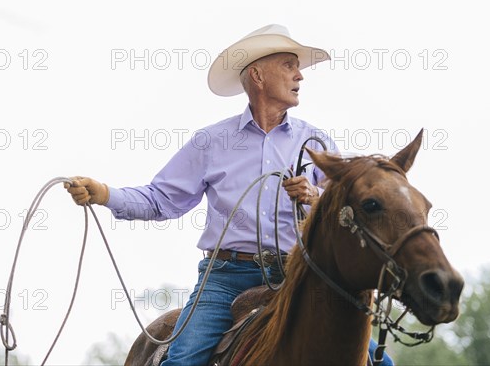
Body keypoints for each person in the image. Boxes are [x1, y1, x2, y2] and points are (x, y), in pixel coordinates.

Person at [65, 24, 393, 366]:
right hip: (224, 280)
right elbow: (161, 200)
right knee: (181, 361)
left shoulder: (317, 143)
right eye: (288, 65)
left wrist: (314, 197)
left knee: (379, 363)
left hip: (300, 275)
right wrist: (104, 194)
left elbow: (347, 215)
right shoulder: (211, 142)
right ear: (258, 75)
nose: (300, 76)